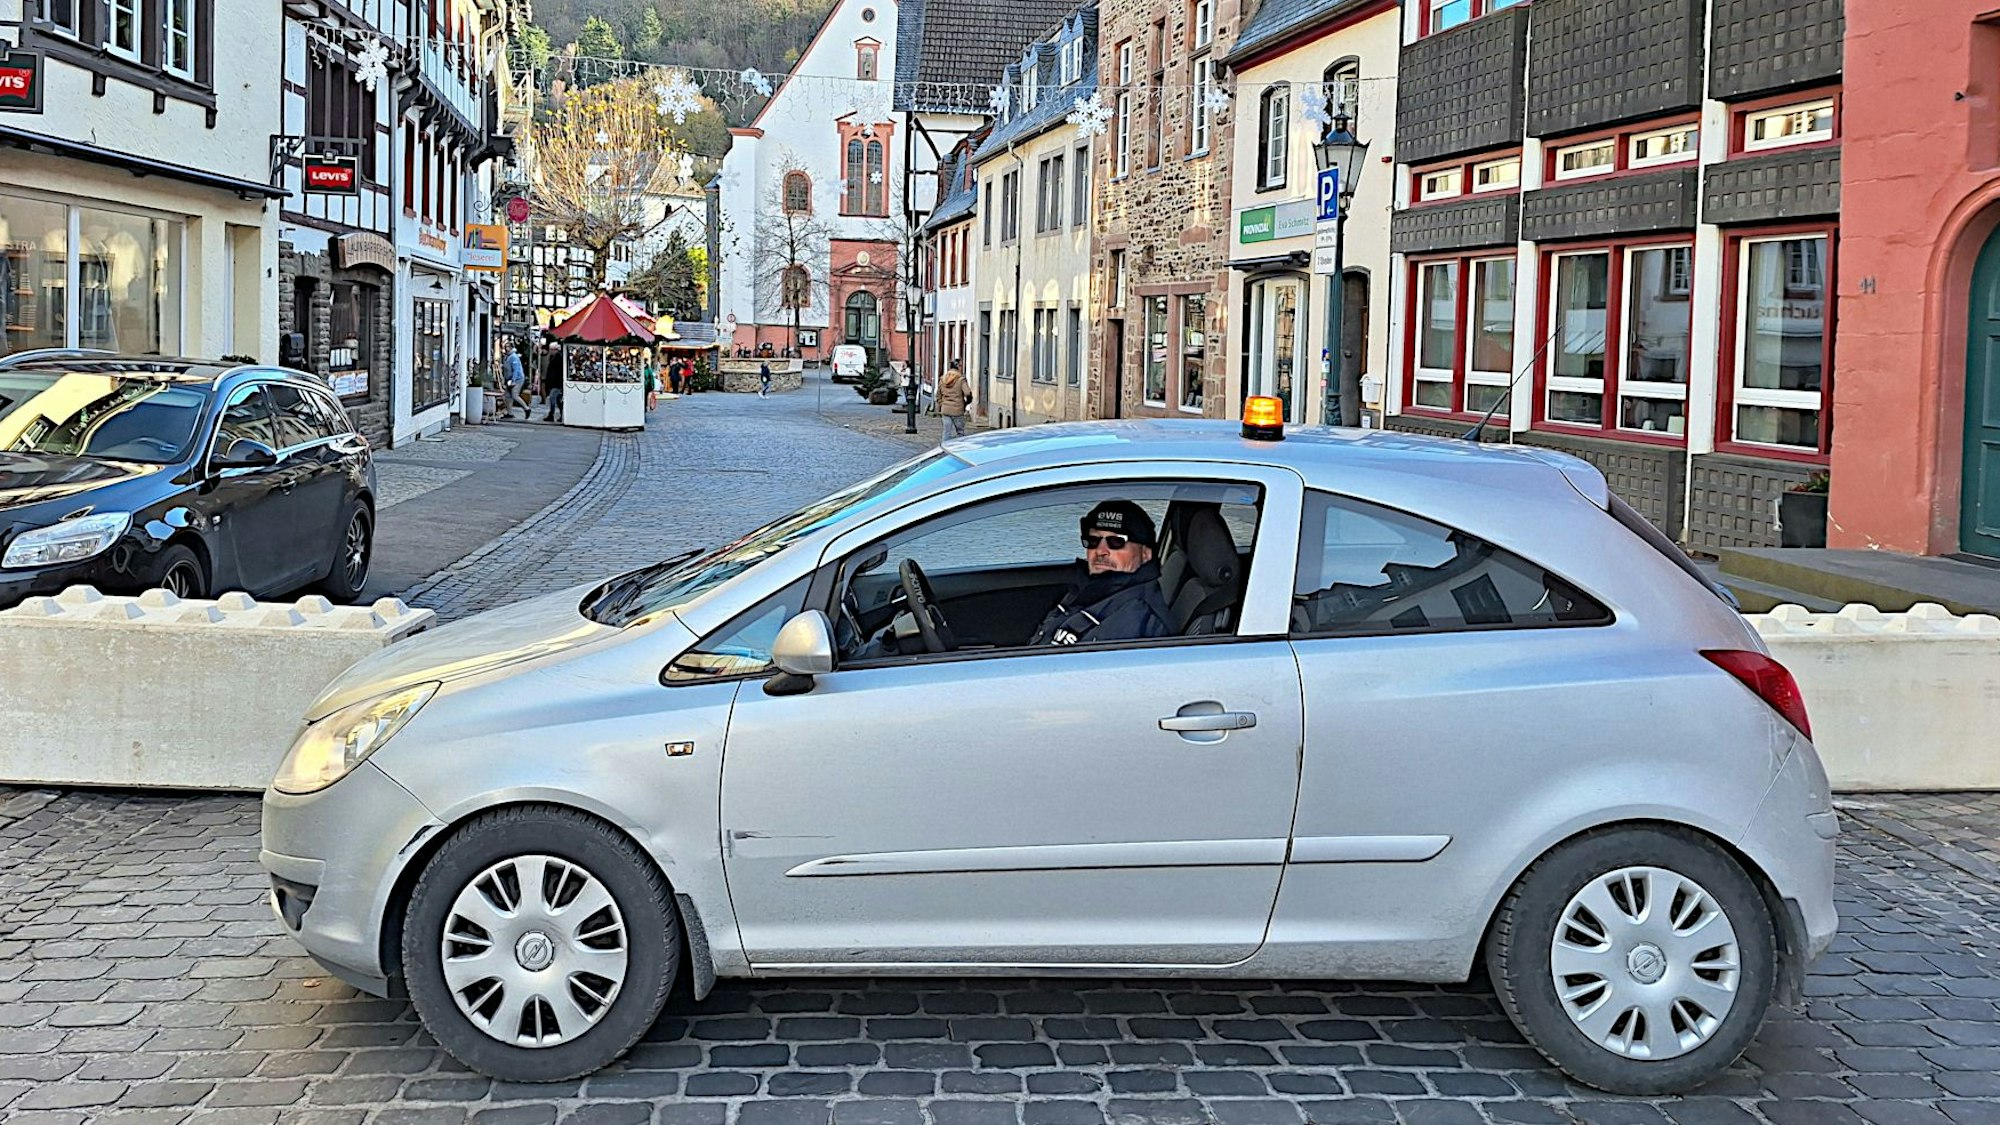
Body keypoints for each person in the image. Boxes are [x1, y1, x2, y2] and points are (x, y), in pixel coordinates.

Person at [1028, 500, 1174, 646]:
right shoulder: (1087, 589)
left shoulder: (1137, 618)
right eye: (1093, 540)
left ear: (1145, 554)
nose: (1100, 551)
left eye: (1116, 541)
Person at [936, 361, 973, 444]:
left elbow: (938, 395)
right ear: (958, 368)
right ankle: (959, 448)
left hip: (945, 409)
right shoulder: (961, 380)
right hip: (958, 409)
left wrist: (942, 404)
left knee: (946, 432)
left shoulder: (943, 379)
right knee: (960, 432)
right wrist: (967, 402)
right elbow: (967, 393)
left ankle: (944, 448)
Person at [500, 339, 528, 420]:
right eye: (505, 346)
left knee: (514, 395)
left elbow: (515, 369)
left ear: (511, 347)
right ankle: (510, 413)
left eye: (508, 347)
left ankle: (526, 409)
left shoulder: (513, 357)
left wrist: (513, 380)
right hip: (509, 379)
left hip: (517, 379)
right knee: (508, 396)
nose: (506, 348)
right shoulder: (507, 356)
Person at [541, 343, 564, 423]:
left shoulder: (558, 358)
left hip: (556, 382)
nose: (550, 351)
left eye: (551, 349)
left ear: (555, 350)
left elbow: (557, 371)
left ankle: (552, 414)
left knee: (553, 398)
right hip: (555, 382)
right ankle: (561, 414)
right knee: (557, 399)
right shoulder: (554, 357)